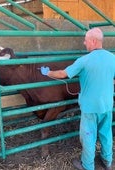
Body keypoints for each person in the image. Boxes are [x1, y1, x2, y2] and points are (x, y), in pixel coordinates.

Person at [40, 27, 115, 170]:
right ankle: (108, 161)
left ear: (93, 41)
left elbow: (63, 74)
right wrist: (108, 82)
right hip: (107, 105)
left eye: (86, 41)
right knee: (106, 133)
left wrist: (48, 72)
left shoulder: (84, 60)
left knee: (88, 137)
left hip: (90, 108)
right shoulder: (112, 58)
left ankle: (87, 165)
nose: (84, 43)